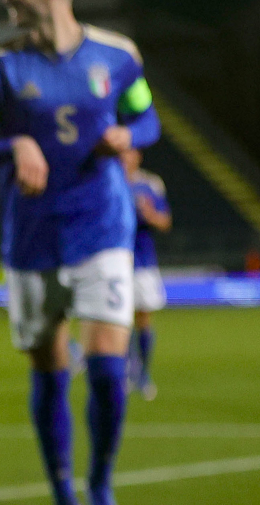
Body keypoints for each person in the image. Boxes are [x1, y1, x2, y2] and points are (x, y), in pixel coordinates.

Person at [0, 0, 161, 505]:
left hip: (102, 227)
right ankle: (62, 490)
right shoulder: (0, 65)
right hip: (32, 235)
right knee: (50, 372)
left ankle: (100, 484)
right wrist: (13, 144)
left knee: (105, 369)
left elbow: (144, 113)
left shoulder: (118, 56)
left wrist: (130, 136)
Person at [120, 147, 170, 400]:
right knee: (121, 320)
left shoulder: (151, 184)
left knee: (143, 318)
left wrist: (149, 214)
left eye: (130, 153)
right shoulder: (110, 180)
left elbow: (165, 222)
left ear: (137, 156)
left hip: (144, 263)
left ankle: (144, 373)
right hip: (117, 261)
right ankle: (128, 370)